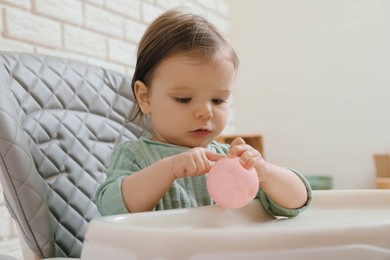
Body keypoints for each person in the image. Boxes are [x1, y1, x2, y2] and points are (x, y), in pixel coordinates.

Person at [96, 8, 312, 217]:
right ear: (145, 97)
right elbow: (111, 208)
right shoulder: (134, 156)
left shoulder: (229, 159)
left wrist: (265, 172)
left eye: (218, 100)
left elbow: (297, 202)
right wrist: (170, 169)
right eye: (184, 99)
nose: (206, 112)